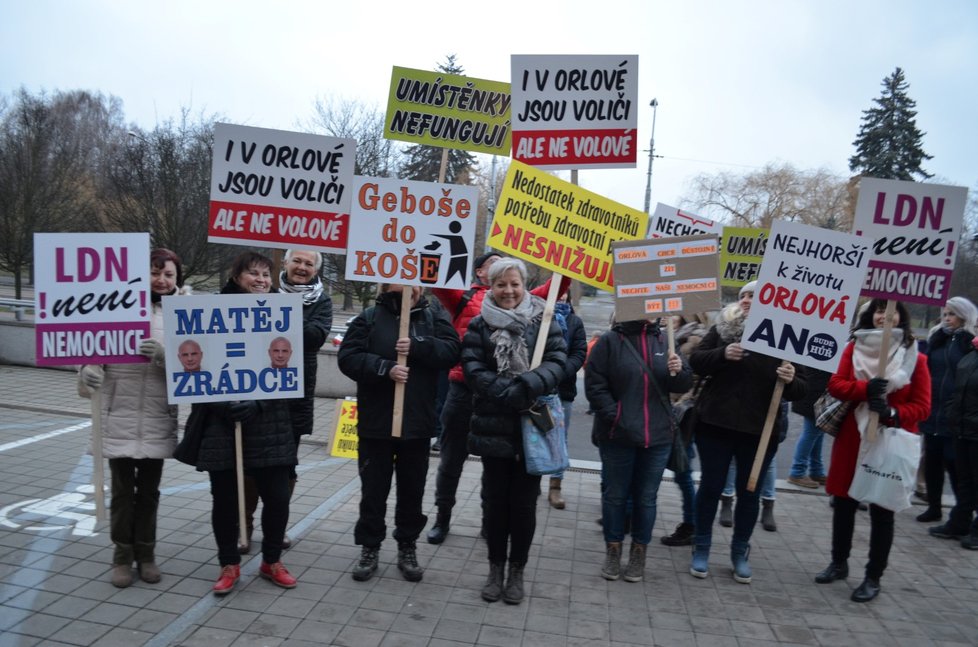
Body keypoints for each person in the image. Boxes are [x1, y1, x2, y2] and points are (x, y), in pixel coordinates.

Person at [426, 252, 567, 544]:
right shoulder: (463, 299)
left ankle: (489, 523)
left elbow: (557, 286)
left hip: (504, 400)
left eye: (512, 279)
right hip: (464, 391)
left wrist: (569, 260)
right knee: (451, 460)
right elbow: (435, 278)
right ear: (481, 274)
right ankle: (442, 518)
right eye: (494, 264)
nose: (507, 286)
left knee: (494, 466)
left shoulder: (522, 299)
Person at [78, 248, 189, 588]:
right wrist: (87, 373)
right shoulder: (115, 305)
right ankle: (122, 556)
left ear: (177, 279)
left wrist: (165, 357)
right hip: (118, 416)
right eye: (155, 272)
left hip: (157, 417)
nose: (161, 279)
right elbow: (90, 353)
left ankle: (147, 554)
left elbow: (194, 367)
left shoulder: (184, 315)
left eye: (169, 274)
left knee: (150, 494)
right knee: (123, 494)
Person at [338, 284, 460, 582]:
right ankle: (369, 546)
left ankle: (407, 545)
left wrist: (418, 346)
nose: (411, 289)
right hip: (376, 424)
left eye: (416, 284)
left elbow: (452, 351)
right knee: (373, 491)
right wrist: (384, 367)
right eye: (403, 283)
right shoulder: (369, 318)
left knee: (412, 491)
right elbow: (348, 358)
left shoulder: (433, 318)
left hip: (417, 425)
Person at [462, 258, 566, 604]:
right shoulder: (479, 323)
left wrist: (527, 384)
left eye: (514, 284)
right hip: (493, 426)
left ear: (524, 285)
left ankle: (517, 570)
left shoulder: (545, 319)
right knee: (494, 504)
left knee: (523, 506)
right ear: (490, 287)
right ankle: (495, 568)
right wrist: (505, 391)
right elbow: (473, 366)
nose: (508, 291)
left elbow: (558, 361)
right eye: (501, 285)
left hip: (530, 429)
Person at [688, 281, 805, 584]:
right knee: (711, 487)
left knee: (748, 492)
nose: (748, 300)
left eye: (755, 295)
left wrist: (791, 379)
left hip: (759, 430)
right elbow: (696, 362)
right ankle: (701, 547)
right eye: (744, 296)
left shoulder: (786, 336)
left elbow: (803, 388)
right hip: (715, 423)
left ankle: (740, 551)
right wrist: (723, 354)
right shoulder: (724, 327)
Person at [196, 251, 298, 595]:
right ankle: (229, 563)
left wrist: (258, 400)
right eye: (253, 273)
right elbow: (194, 368)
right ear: (236, 276)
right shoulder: (210, 310)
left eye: (266, 274)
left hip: (271, 422)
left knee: (278, 497)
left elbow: (287, 369)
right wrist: (225, 405)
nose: (261, 280)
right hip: (223, 425)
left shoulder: (281, 313)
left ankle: (271, 560)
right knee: (225, 501)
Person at [815, 298, 930, 603]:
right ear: (871, 315)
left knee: (882, 511)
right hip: (853, 439)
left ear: (901, 317)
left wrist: (893, 413)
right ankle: (838, 563)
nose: (885, 315)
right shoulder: (853, 348)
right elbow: (837, 385)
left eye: (891, 311)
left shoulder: (915, 359)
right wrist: (867, 389)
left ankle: (873, 576)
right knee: (843, 505)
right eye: (880, 310)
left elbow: (923, 407)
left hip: (889, 441)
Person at [586, 315, 691, 582]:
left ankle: (638, 553)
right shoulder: (610, 341)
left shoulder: (666, 340)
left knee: (646, 498)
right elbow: (595, 386)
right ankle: (613, 550)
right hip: (617, 436)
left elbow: (681, 385)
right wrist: (617, 417)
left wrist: (679, 370)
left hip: (657, 438)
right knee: (615, 496)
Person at [267, 248, 332, 551]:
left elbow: (314, 336)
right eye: (297, 261)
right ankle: (245, 524)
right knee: (254, 462)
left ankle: (276, 527)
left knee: (286, 464)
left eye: (309, 263)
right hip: (260, 390)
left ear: (315, 270)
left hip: (297, 393)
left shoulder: (322, 300)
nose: (302, 267)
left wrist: (275, 313)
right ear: (286, 262)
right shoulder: (263, 288)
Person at [918, 297, 977, 524]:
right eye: (944, 314)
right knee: (931, 462)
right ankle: (934, 507)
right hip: (933, 409)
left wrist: (965, 341)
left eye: (951, 314)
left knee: (955, 465)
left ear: (963, 315)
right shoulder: (938, 338)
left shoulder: (969, 341)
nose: (946, 319)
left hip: (956, 413)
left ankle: (962, 512)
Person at [660, 316, 708, 547]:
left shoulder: (695, 336)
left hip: (683, 415)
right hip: (668, 411)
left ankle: (691, 524)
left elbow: (695, 380)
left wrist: (679, 403)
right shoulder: (666, 333)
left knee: (683, 471)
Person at [548, 294, 588, 510]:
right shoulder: (537, 314)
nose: (560, 296)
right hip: (537, 388)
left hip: (563, 390)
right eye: (557, 292)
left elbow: (579, 352)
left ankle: (555, 486)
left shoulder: (574, 321)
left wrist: (559, 372)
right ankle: (532, 478)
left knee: (560, 440)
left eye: (564, 293)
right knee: (531, 437)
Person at [944, 334, 978, 549]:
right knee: (965, 480)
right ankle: (959, 523)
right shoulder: (972, 352)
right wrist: (951, 412)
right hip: (963, 428)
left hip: (975, 430)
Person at [787, 365, 833, 489]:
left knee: (817, 432)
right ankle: (797, 472)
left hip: (815, 390)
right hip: (815, 392)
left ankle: (816, 471)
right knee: (812, 432)